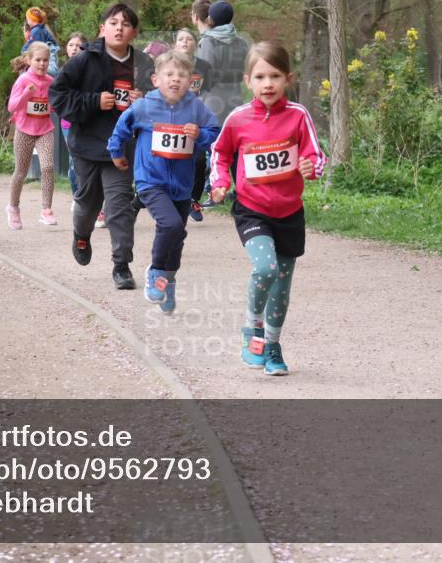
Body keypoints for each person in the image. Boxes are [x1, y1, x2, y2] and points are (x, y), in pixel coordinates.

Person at [209, 42, 327, 376]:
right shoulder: (238, 118)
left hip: (289, 213)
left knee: (282, 286)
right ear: (248, 81)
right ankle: (252, 330)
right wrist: (220, 181)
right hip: (252, 209)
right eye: (260, 77)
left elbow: (315, 154)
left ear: (288, 78)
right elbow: (220, 153)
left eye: (275, 76)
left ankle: (273, 345)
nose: (268, 84)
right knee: (265, 269)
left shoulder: (298, 115)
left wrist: (311, 167)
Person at [49, 2, 154, 290]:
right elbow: (58, 94)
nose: (119, 28)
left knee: (119, 206)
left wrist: (144, 101)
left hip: (122, 147)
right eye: (114, 23)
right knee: (87, 203)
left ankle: (122, 265)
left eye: (126, 24)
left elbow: (161, 99)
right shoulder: (84, 59)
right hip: (87, 144)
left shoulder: (144, 64)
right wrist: (94, 101)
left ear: (134, 32)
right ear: (102, 28)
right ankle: (81, 235)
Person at [107, 50, 220, 313]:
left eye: (181, 75)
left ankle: (167, 281)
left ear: (190, 80)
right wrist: (116, 152)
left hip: (182, 184)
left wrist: (200, 134)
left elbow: (216, 135)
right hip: (151, 180)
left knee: (177, 236)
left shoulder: (196, 107)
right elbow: (122, 127)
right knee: (170, 225)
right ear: (156, 79)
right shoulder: (145, 106)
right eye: (169, 74)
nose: (175, 79)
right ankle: (155, 271)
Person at [6, 42, 56, 229]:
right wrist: (27, 94)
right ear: (29, 60)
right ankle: (13, 208)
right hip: (24, 130)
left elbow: (53, 105)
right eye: (38, 60)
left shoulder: (51, 81)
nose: (42, 64)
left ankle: (46, 210)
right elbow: (12, 107)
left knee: (48, 167)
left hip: (44, 130)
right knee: (21, 172)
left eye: (45, 60)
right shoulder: (23, 80)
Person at [175, 27, 215, 221]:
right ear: (175, 44)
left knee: (199, 160)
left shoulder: (204, 66)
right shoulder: (167, 63)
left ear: (195, 44)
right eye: (181, 39)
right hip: (171, 118)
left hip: (196, 117)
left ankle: (193, 200)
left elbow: (210, 91)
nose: (185, 42)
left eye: (189, 39)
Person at [196, 0, 250, 123]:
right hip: (236, 99)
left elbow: (204, 74)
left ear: (212, 19)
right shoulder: (242, 42)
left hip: (212, 101)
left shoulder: (208, 42)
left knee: (213, 133)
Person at [58, 32, 88, 202]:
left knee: (88, 162)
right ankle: (77, 197)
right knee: (74, 161)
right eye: (71, 45)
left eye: (78, 45)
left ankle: (90, 199)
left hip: (89, 122)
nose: (74, 48)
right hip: (68, 123)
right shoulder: (63, 72)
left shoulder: (92, 70)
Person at [21, 7, 60, 76]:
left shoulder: (37, 31)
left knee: (51, 71)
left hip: (49, 55)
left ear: (30, 19)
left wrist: (25, 52)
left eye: (27, 18)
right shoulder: (40, 29)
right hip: (48, 54)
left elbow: (35, 46)